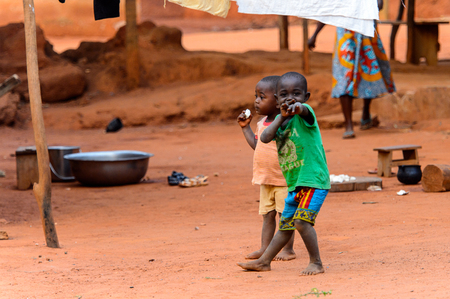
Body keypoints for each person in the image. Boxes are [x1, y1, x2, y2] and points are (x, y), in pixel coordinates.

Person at [237, 72, 330, 275]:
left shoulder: (306, 116)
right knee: (285, 226)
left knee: (301, 222)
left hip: (313, 180)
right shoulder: (280, 123)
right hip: (295, 183)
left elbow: (303, 110)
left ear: (306, 97)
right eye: (284, 94)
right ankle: (264, 261)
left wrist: (297, 108)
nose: (290, 98)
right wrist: (281, 117)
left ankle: (316, 263)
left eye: (296, 94)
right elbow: (265, 138)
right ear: (277, 100)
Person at [307, 0, 396, 139]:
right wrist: (314, 35)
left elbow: (379, 5)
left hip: (366, 32)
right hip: (346, 37)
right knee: (344, 77)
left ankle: (365, 113)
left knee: (369, 74)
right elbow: (330, 10)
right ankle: (348, 124)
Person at [237, 75, 296, 261]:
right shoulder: (262, 123)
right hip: (265, 179)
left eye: (262, 97)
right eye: (256, 96)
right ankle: (265, 247)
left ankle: (288, 249)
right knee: (267, 215)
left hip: (282, 179)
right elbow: (258, 146)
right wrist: (245, 128)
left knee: (284, 216)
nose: (256, 101)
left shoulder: (285, 123)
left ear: (278, 102)